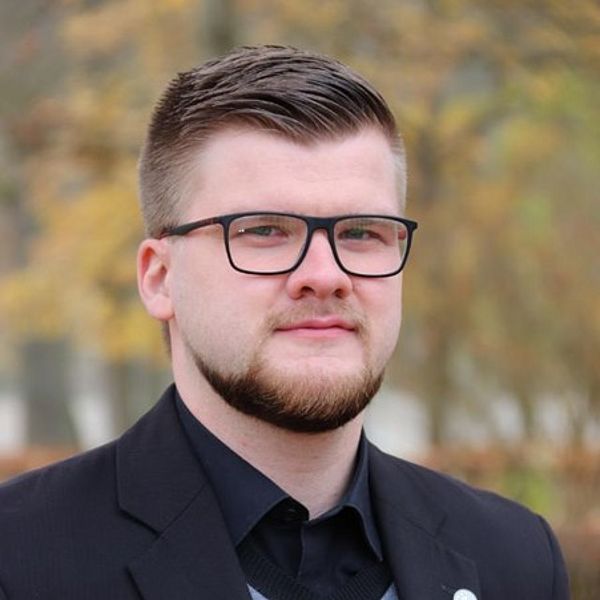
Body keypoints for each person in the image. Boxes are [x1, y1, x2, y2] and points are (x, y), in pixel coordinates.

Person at [0, 45, 568, 600]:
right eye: (264, 230)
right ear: (160, 278)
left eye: (361, 232)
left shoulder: (515, 559)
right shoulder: (19, 558)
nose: (325, 275)